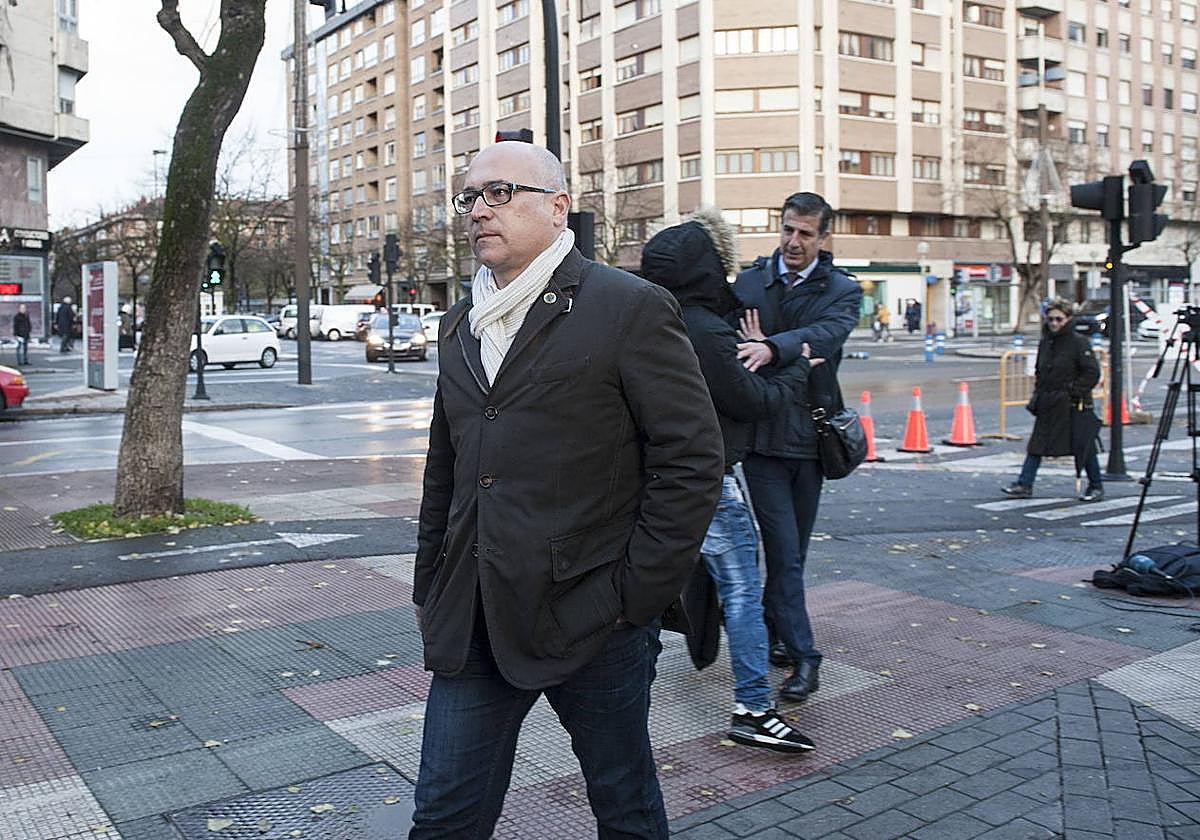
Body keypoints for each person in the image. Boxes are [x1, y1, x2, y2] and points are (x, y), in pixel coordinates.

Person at [411, 141, 724, 839]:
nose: (478, 211)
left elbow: (692, 460)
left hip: (592, 615)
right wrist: (430, 579)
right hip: (475, 616)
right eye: (469, 197)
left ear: (558, 209)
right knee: (443, 813)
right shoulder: (460, 322)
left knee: (624, 803)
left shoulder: (628, 307)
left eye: (499, 193)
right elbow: (448, 461)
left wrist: (631, 597)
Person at [641, 207, 817, 754]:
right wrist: (795, 366)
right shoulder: (707, 330)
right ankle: (754, 709)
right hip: (707, 479)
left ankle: (623, 695)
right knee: (741, 588)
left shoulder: (644, 319)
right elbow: (753, 400)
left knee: (645, 588)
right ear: (708, 269)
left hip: (650, 478)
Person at [732, 191, 862, 703]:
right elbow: (731, 347)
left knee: (793, 554)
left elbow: (827, 336)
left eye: (806, 233)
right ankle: (807, 657)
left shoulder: (842, 290)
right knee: (784, 553)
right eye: (788, 229)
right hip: (764, 441)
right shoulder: (749, 282)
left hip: (812, 438)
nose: (793, 241)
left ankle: (776, 636)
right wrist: (786, 353)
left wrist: (771, 346)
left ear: (823, 237)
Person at [1002, 299, 1104, 502]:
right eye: (1050, 319)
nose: (1054, 323)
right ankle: (1024, 483)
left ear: (1068, 319)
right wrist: (1037, 397)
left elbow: (1092, 372)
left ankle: (1096, 485)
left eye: (1059, 319)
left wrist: (1073, 391)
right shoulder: (1046, 342)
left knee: (1083, 445)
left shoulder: (1078, 342)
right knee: (1037, 445)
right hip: (1049, 402)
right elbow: (1041, 371)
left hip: (1073, 403)